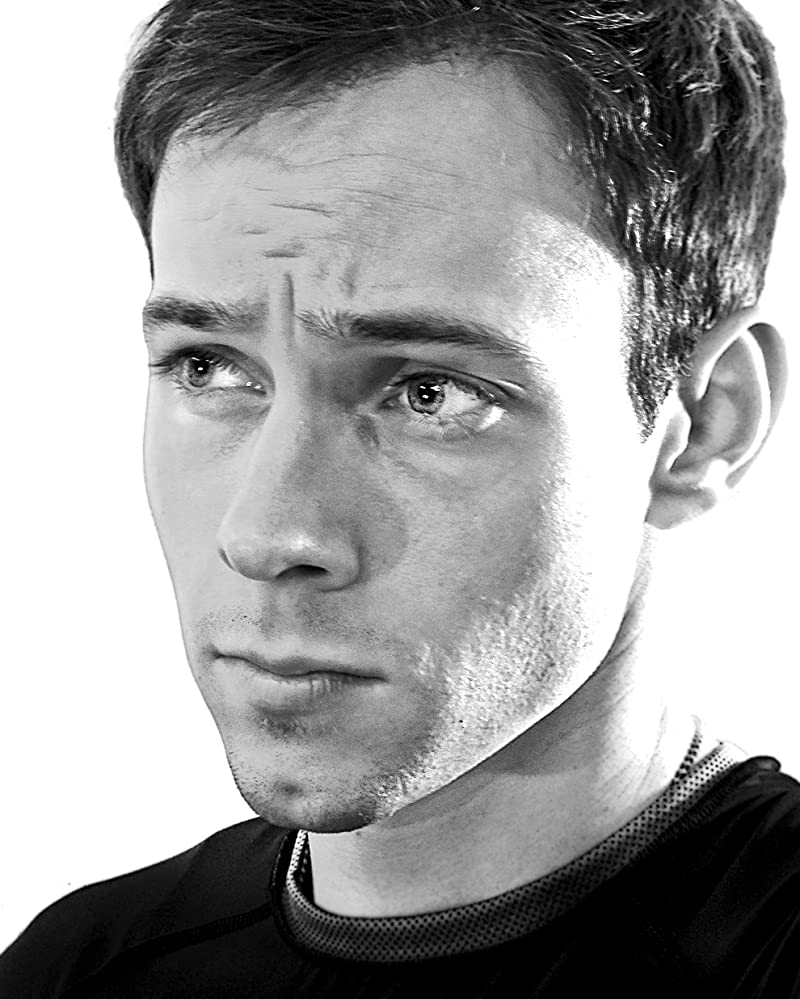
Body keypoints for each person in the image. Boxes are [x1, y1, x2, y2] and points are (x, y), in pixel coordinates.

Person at [1, 0, 797, 994]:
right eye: (210, 368)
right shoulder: (75, 972)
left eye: (431, 393)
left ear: (703, 426)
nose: (268, 533)